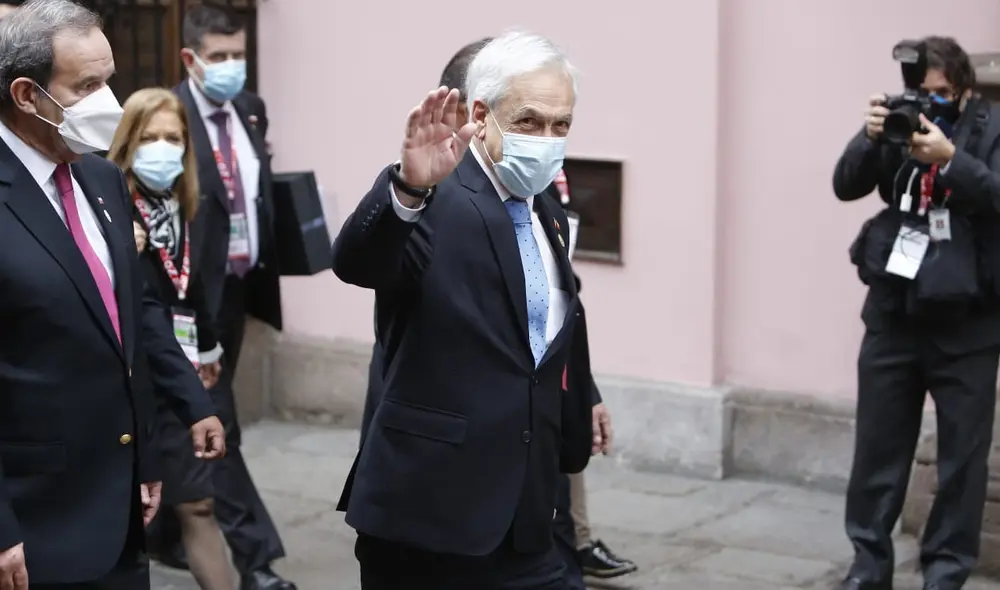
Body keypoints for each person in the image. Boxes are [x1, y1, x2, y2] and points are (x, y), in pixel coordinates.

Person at [332, 31, 594, 589]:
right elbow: (358, 263)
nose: (547, 140)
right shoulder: (435, 193)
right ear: (482, 113)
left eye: (561, 125)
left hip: (527, 519)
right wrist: (406, 188)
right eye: (529, 122)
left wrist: (582, 400)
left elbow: (552, 322)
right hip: (429, 519)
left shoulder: (544, 204)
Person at [0, 0, 223, 588]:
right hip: (32, 519)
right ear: (26, 95)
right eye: (88, 85)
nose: (111, 103)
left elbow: (130, 312)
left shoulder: (100, 178)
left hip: (120, 504)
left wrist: (171, 425)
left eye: (110, 79)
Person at [833, 36, 1000, 590]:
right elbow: (846, 185)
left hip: (969, 325)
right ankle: (868, 565)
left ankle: (945, 574)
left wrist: (951, 161)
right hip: (894, 316)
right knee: (877, 451)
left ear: (965, 89)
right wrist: (871, 133)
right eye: (920, 94)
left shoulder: (992, 126)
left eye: (941, 95)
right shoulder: (899, 121)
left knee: (961, 465)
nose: (930, 105)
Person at [165, 5, 290, 590]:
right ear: (190, 59)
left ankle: (168, 533)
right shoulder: (170, 118)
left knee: (204, 422)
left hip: (240, 289)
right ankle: (256, 558)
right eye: (219, 57)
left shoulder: (251, 109)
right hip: (190, 300)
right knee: (218, 421)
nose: (232, 67)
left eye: (238, 55)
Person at [109, 87, 238, 590]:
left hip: (182, 373)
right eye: (150, 137)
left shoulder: (181, 204)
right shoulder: (111, 206)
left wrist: (208, 349)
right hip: (133, 382)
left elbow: (194, 286)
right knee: (133, 514)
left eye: (174, 139)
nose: (163, 150)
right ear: (127, 143)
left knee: (199, 503)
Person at [359, 36, 493, 447]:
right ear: (462, 111)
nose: (538, 130)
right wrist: (409, 189)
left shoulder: (538, 189)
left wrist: (583, 388)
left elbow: (560, 302)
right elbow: (358, 263)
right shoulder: (425, 196)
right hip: (433, 447)